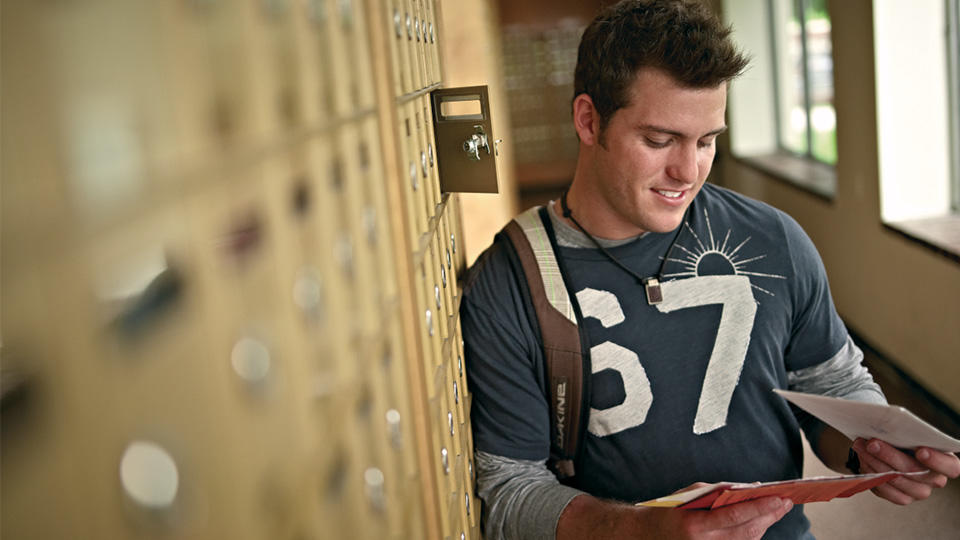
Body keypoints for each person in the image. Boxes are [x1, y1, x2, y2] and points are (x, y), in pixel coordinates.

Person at [459, 1, 960, 538]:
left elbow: (833, 382)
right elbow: (511, 492)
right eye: (659, 140)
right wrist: (644, 533)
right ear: (588, 120)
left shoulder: (774, 239)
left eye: (707, 141)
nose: (687, 171)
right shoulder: (507, 282)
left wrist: (873, 451)